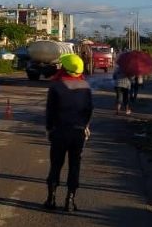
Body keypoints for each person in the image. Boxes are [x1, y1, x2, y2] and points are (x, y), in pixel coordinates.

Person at [44, 54, 93, 213]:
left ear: (64, 68)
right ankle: (70, 201)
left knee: (56, 165)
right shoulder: (85, 86)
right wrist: (85, 126)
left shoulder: (56, 86)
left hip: (59, 131)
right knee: (75, 165)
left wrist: (49, 129)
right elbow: (89, 110)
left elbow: (50, 111)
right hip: (78, 132)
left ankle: (51, 199)